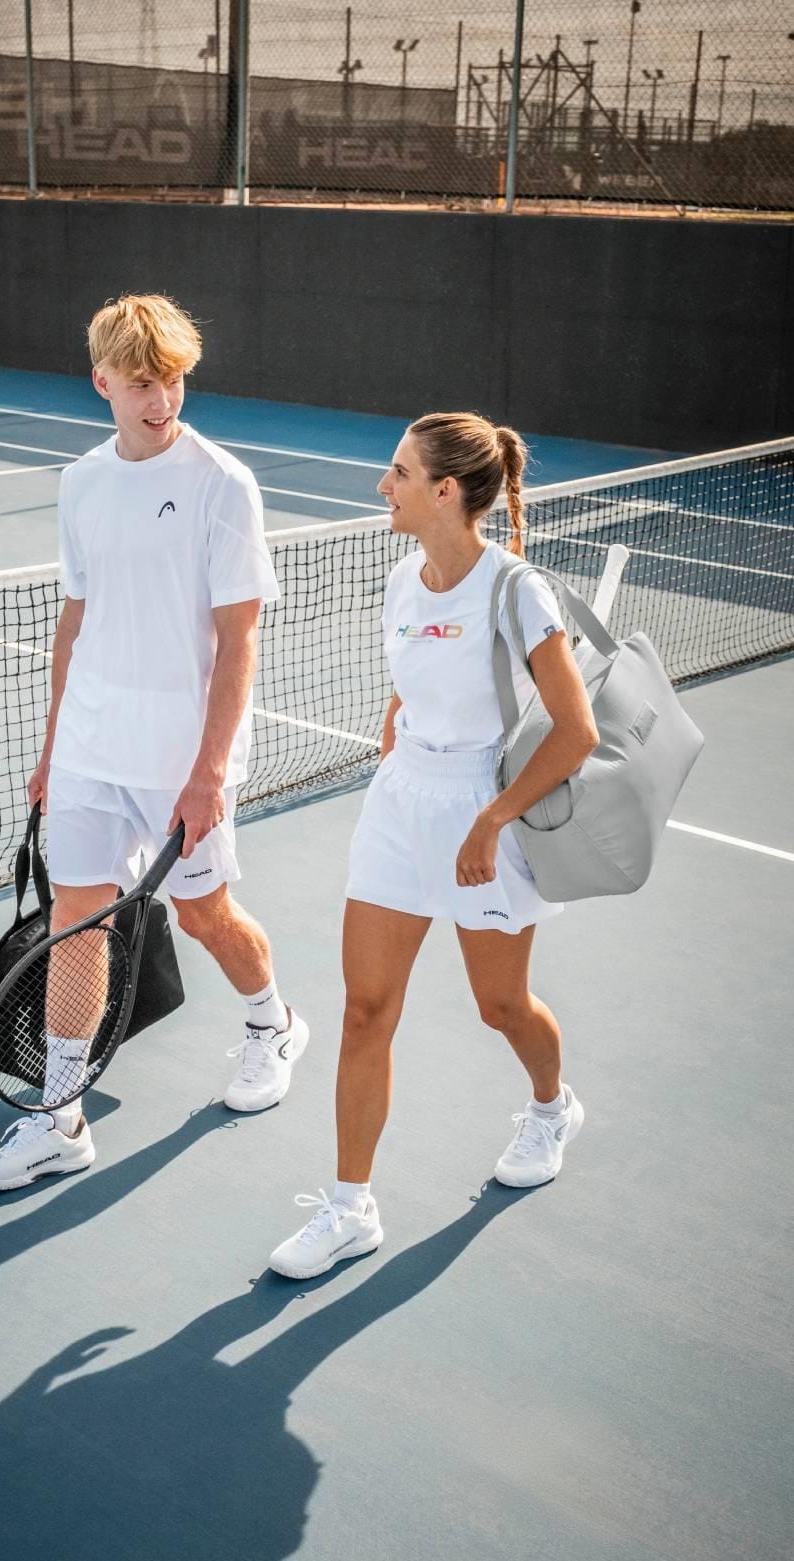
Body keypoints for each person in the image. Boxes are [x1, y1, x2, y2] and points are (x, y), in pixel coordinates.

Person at [0, 294, 307, 1191]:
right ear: (104, 383)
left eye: (178, 380)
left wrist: (208, 772)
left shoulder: (222, 484)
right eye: (147, 384)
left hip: (176, 762)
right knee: (78, 924)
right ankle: (60, 1117)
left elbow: (240, 639)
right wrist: (50, 749)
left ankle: (272, 1023)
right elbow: (73, 622)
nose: (165, 401)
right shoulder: (80, 481)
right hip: (87, 749)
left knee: (204, 916)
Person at [269, 411, 599, 1278]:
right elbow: (407, 680)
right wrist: (396, 746)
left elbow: (575, 731)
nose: (385, 485)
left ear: (446, 491)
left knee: (501, 1006)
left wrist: (489, 822)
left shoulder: (516, 589)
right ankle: (349, 1208)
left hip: (484, 810)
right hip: (399, 805)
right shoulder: (400, 579)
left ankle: (550, 1105)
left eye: (400, 473)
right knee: (366, 1010)